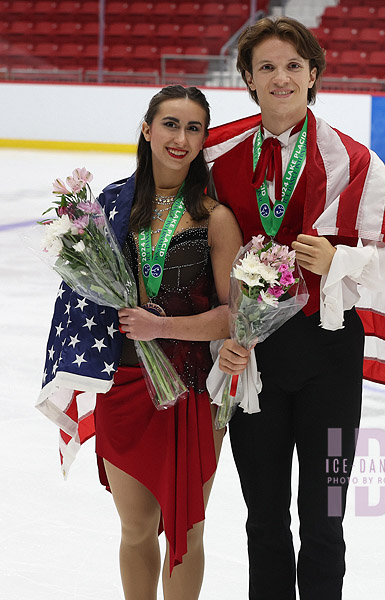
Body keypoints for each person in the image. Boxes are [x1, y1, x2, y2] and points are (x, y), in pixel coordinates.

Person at [204, 17, 385, 600]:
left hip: (329, 360)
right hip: (252, 363)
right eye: (267, 67)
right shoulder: (217, 155)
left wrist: (342, 263)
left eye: (294, 66)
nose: (281, 78)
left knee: (325, 518)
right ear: (247, 78)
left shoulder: (351, 160)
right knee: (264, 518)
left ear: (314, 75)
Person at [38, 85, 242, 600]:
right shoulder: (109, 207)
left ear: (203, 140)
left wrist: (161, 328)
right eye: (170, 124)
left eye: (194, 128)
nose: (180, 138)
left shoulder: (216, 218)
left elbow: (234, 319)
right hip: (124, 386)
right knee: (135, 529)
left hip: (193, 392)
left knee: (187, 531)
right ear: (147, 130)